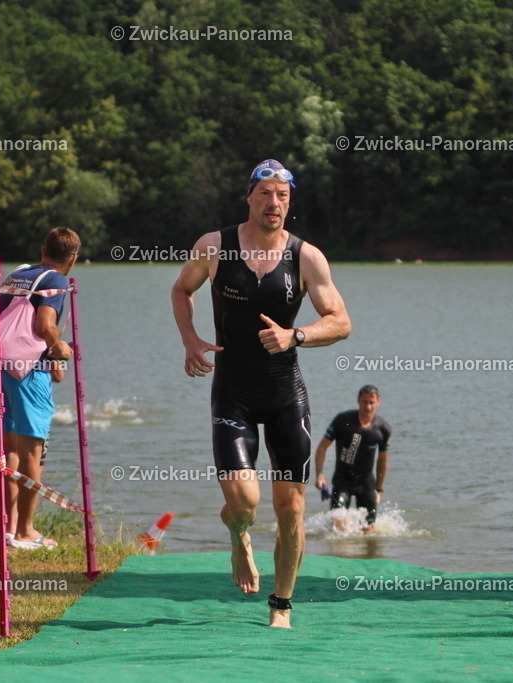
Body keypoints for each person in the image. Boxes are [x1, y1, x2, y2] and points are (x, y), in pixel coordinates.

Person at [171, 159, 350, 628]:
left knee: (291, 506)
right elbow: (181, 290)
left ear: (290, 202)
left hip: (285, 392)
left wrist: (299, 336)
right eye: (266, 194)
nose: (274, 204)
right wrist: (190, 340)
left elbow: (341, 321)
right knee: (245, 502)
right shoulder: (214, 247)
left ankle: (282, 605)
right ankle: (239, 537)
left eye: (283, 196)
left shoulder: (306, 257)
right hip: (233, 393)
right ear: (249, 197)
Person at [0, 228, 78, 550]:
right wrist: (60, 349)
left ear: (43, 250)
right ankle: (26, 532)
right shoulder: (57, 281)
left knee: (9, 447)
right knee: (31, 452)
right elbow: (44, 325)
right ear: (73, 259)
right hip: (26, 373)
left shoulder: (18, 274)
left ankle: (7, 527)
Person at [314, 385, 392, 533]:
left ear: (378, 401)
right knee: (338, 527)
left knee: (368, 530)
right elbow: (322, 447)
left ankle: (364, 554)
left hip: (367, 484)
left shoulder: (383, 429)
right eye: (364, 402)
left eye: (371, 402)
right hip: (342, 482)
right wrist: (319, 474)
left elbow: (382, 461)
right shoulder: (343, 421)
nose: (368, 407)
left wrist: (379, 490)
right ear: (358, 401)